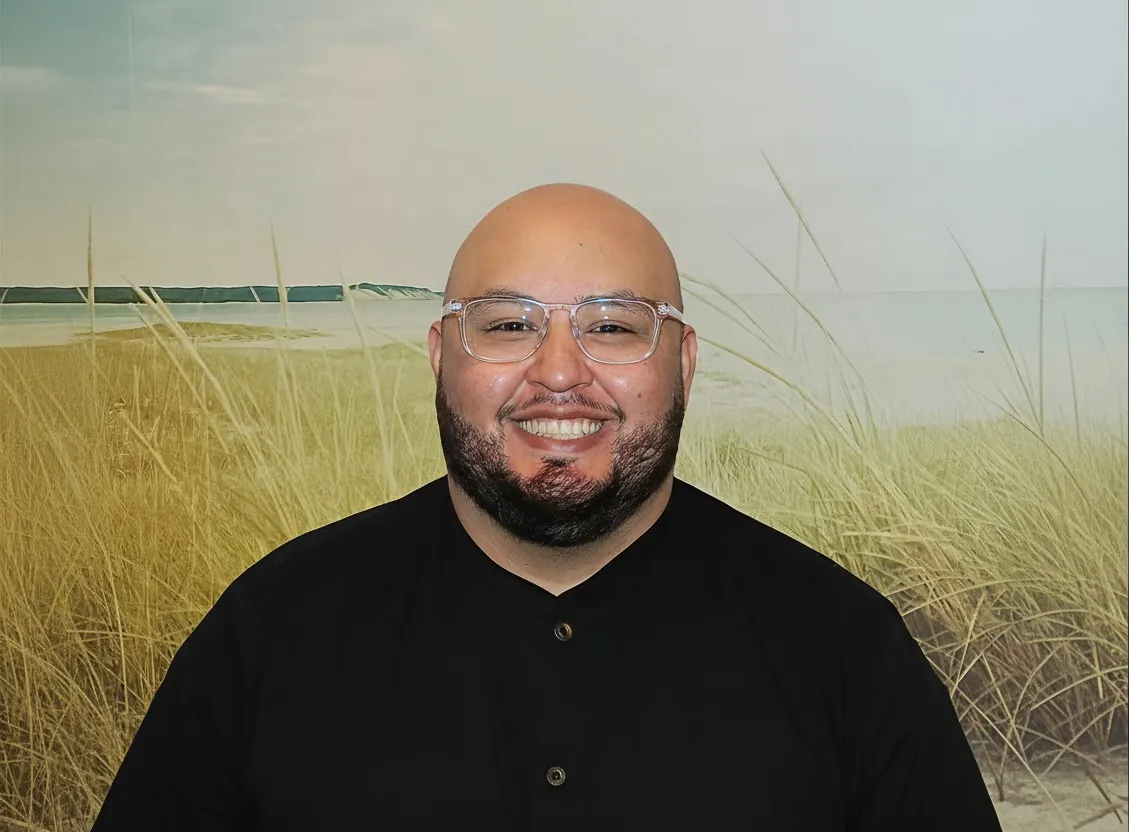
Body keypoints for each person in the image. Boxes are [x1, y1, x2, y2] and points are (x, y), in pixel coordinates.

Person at [90, 183, 1003, 830]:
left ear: (682, 364)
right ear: (440, 357)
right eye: (506, 324)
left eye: (611, 325)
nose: (559, 371)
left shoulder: (840, 644)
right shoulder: (270, 631)